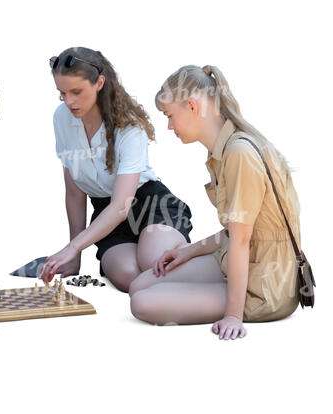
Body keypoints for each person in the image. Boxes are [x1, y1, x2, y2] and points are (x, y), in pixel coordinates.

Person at [128, 65, 302, 340]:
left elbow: (242, 241)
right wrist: (188, 252)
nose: (170, 126)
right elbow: (238, 232)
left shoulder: (239, 153)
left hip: (266, 284)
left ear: (192, 106)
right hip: (243, 259)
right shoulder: (222, 150)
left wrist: (233, 316)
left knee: (142, 302)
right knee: (140, 284)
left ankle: (233, 302)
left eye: (170, 116)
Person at [40, 47, 194, 292]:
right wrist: (74, 257)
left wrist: (73, 247)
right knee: (130, 278)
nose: (69, 101)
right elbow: (74, 193)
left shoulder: (130, 126)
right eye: (62, 93)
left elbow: (121, 206)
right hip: (106, 214)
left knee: (152, 263)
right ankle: (171, 270)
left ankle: (214, 265)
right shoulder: (61, 118)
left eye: (77, 92)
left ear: (100, 83)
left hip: (150, 204)